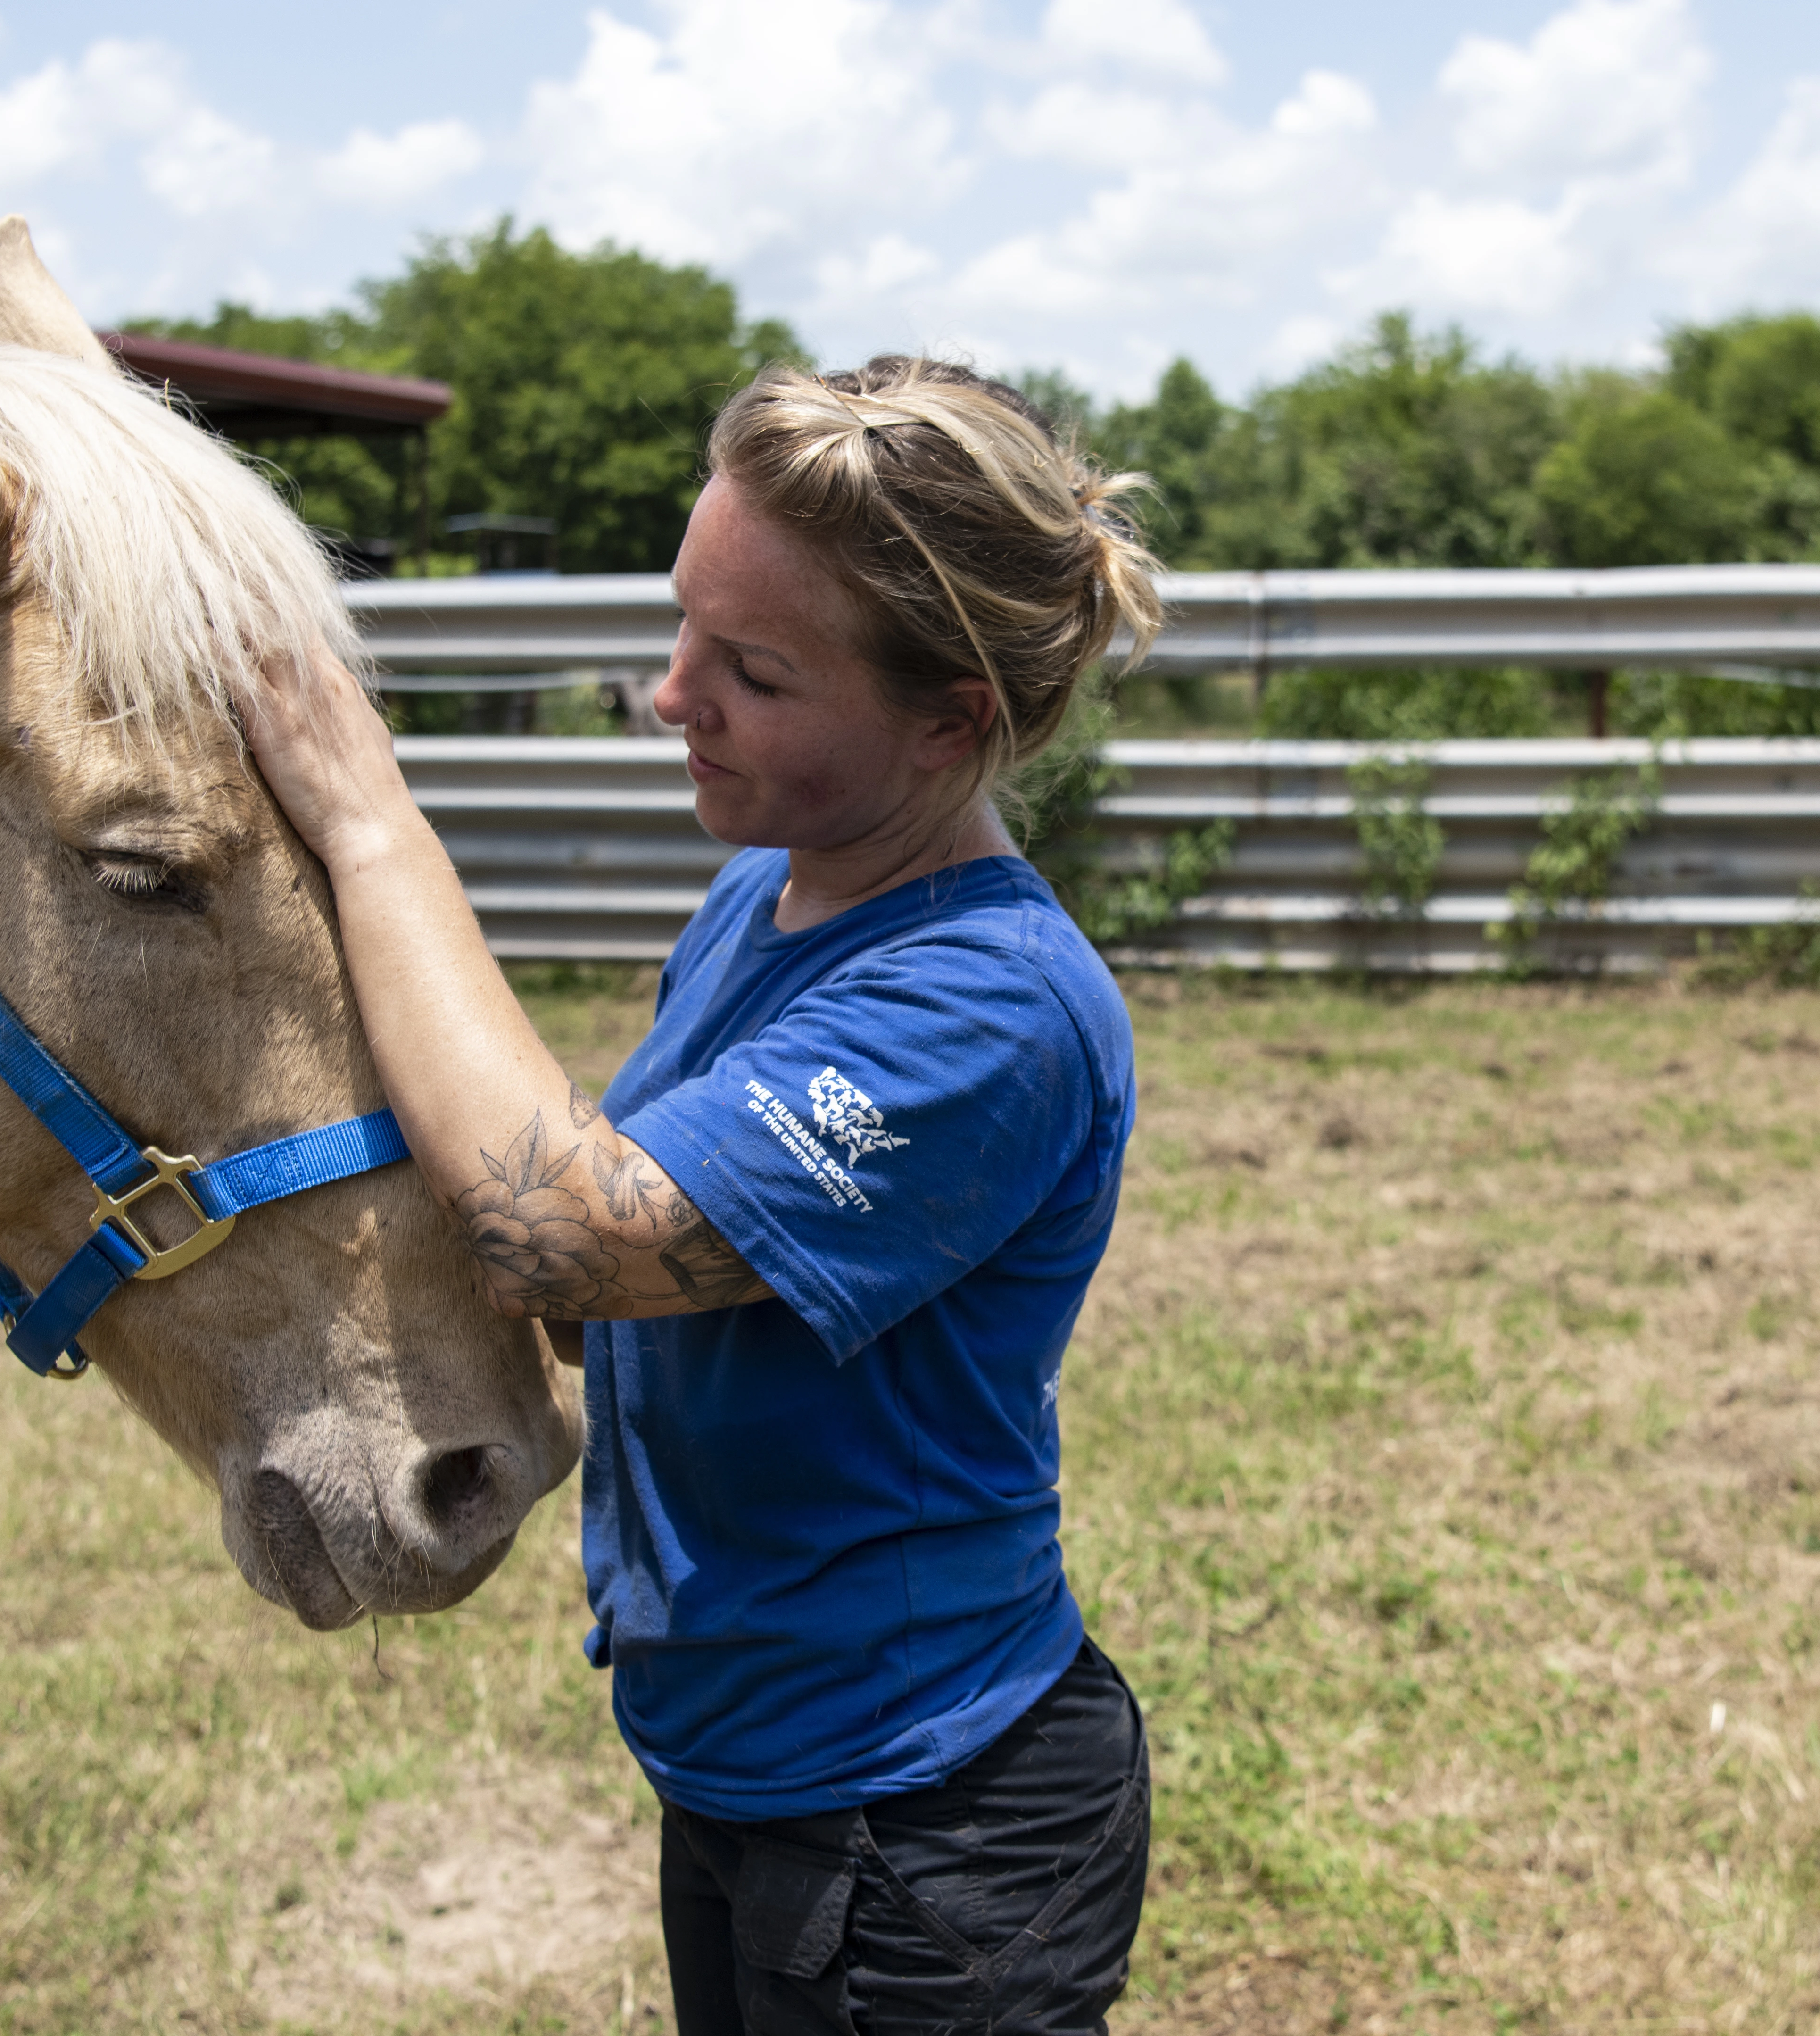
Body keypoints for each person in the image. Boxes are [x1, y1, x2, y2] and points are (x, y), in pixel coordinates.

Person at [239, 356, 1166, 2035]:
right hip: (755, 1767)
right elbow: (669, 1285)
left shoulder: (991, 1005)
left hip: (926, 1818)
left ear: (950, 720)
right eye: (683, 628)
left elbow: (568, 1232)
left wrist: (371, 823)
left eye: (752, 670)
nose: (675, 697)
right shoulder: (769, 898)